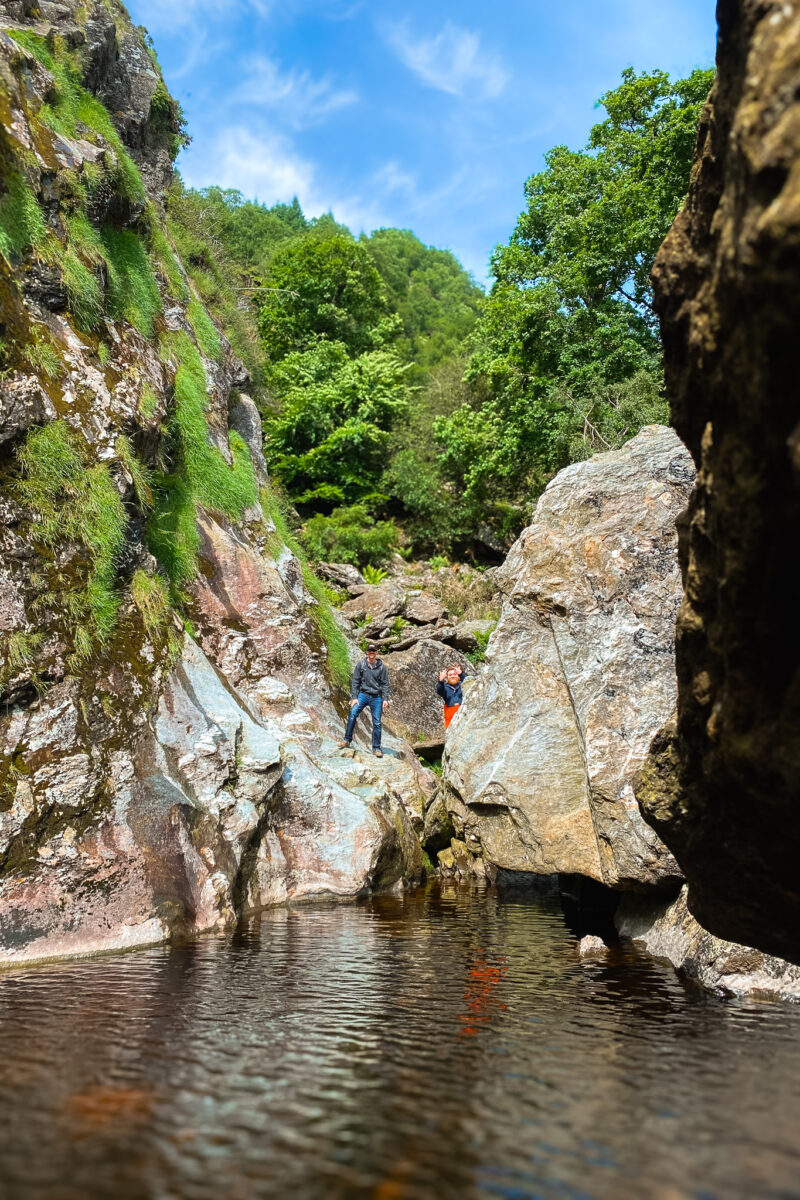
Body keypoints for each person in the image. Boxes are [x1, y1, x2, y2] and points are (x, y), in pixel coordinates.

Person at [338, 643, 391, 757]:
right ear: (367, 652)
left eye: (373, 651)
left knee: (377, 723)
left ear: (376, 652)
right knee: (352, 713)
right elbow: (355, 681)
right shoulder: (361, 665)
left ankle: (376, 748)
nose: (371, 653)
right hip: (363, 695)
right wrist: (354, 697)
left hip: (376, 697)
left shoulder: (382, 667)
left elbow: (385, 684)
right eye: (370, 651)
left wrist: (385, 699)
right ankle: (347, 740)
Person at [437, 663, 466, 729]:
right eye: (450, 675)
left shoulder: (462, 685)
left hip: (463, 712)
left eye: (455, 674)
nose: (453, 676)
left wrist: (461, 673)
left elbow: (470, 683)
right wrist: (440, 681)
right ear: (447, 677)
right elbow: (439, 691)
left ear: (458, 676)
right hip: (450, 714)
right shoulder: (444, 687)